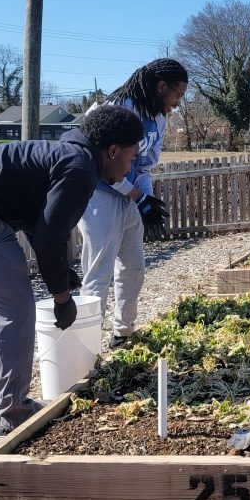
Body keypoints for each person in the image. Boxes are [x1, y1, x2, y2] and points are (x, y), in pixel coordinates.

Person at [0, 106, 143, 443]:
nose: (130, 166)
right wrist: (62, 298)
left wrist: (62, 276)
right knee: (14, 314)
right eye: (132, 156)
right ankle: (11, 416)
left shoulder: (73, 154)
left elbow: (40, 223)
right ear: (113, 150)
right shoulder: (80, 169)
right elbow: (49, 237)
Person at [78, 58, 188, 348]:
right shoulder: (117, 108)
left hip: (130, 198)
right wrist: (137, 196)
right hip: (99, 194)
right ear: (160, 86)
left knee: (133, 267)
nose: (177, 103)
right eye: (177, 95)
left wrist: (145, 198)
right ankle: (88, 348)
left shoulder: (159, 118)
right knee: (98, 271)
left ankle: (123, 333)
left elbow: (145, 166)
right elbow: (103, 163)